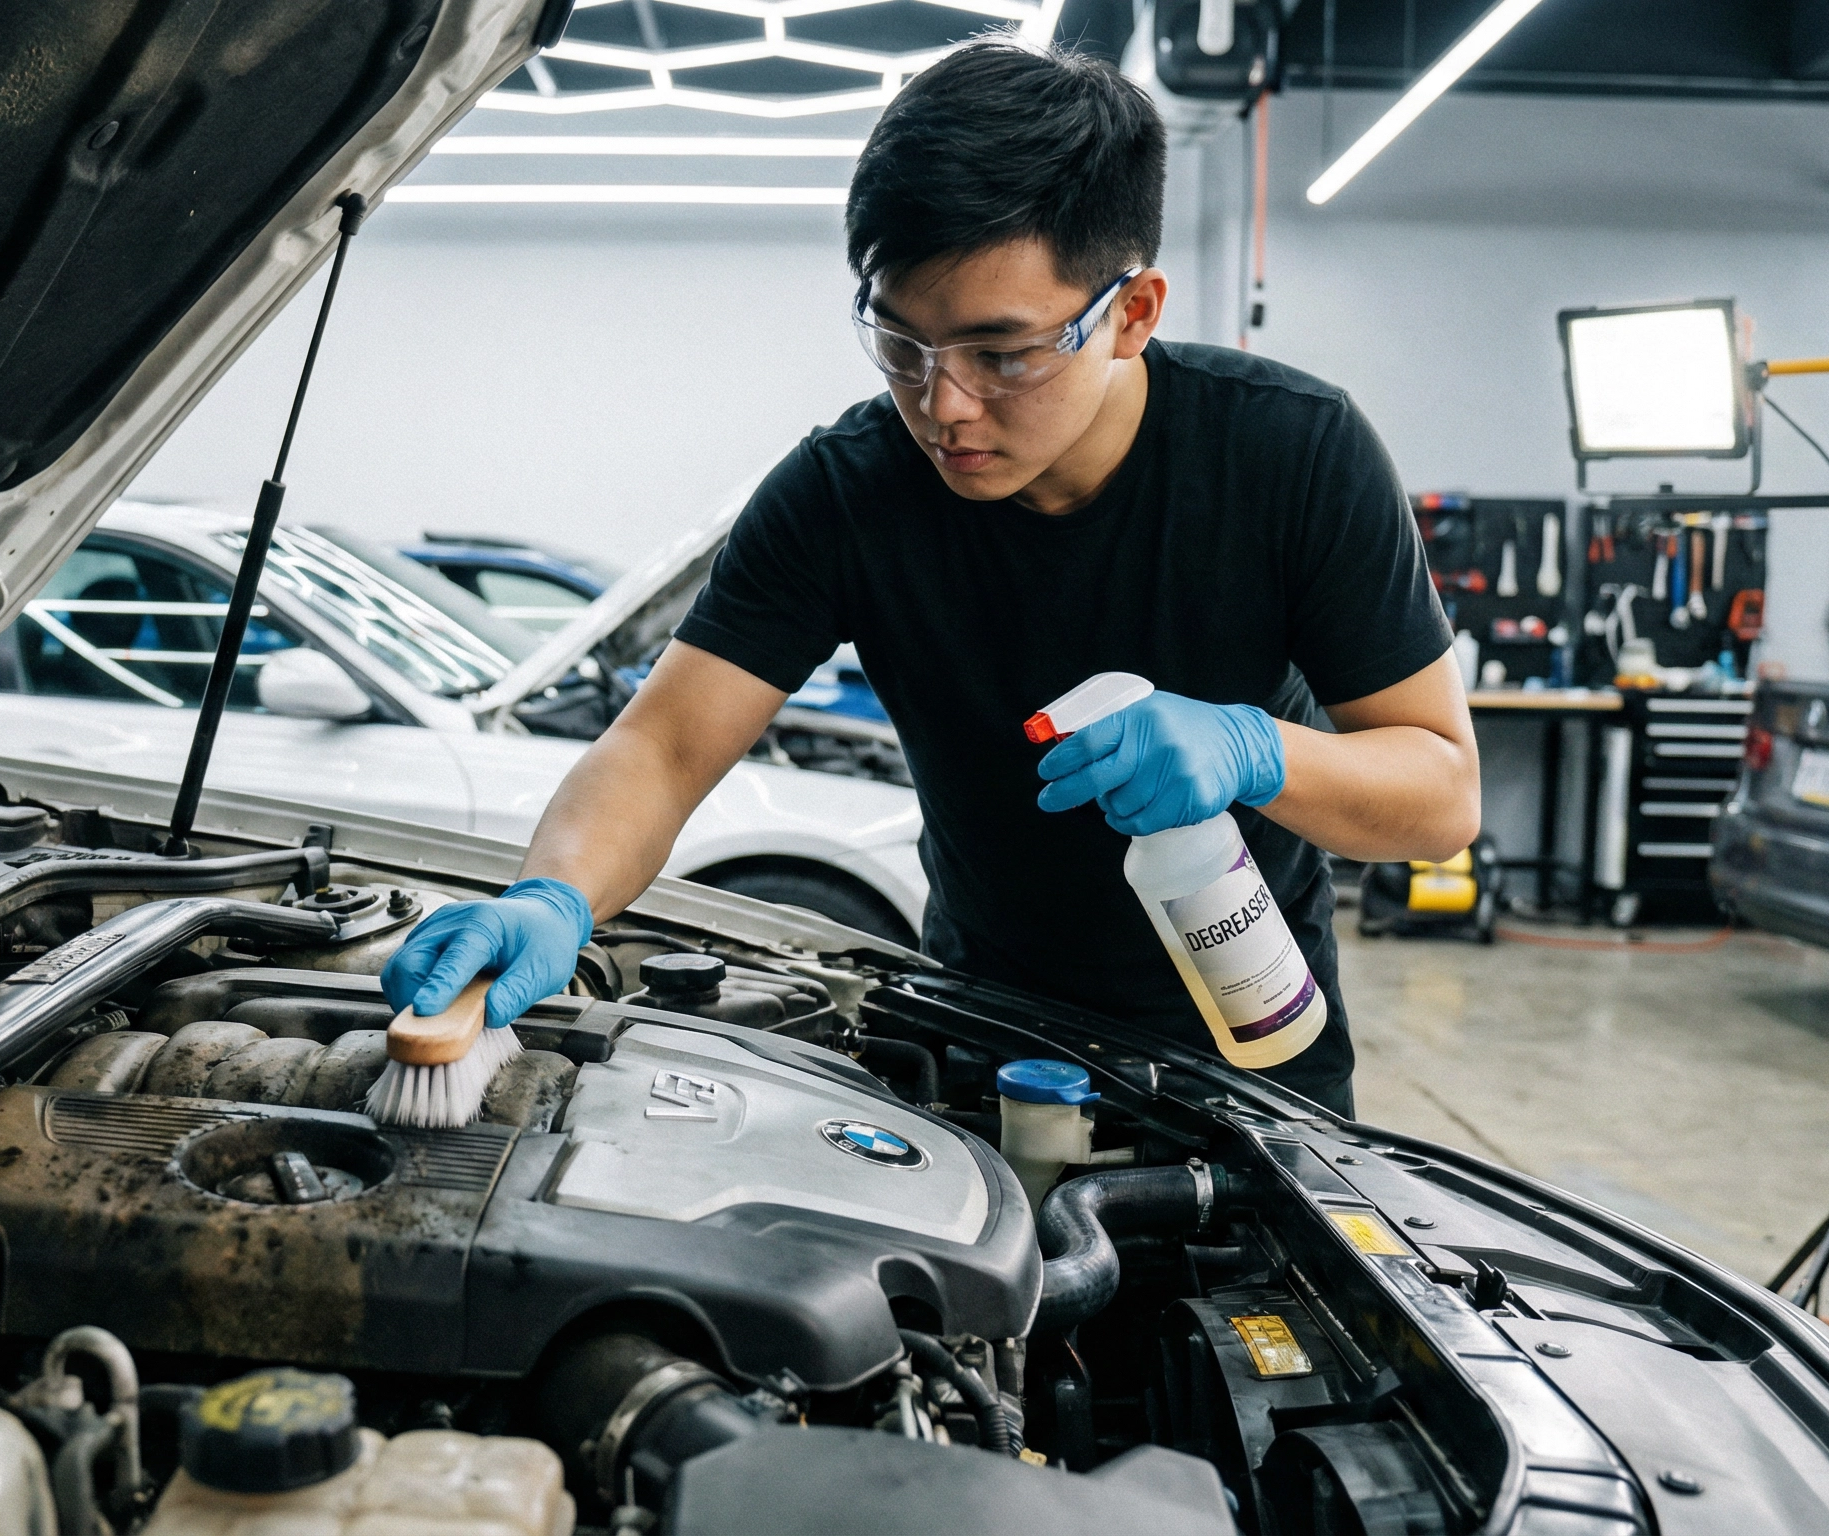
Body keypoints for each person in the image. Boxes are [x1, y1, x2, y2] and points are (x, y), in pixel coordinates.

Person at [382, 40, 1479, 1116]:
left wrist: (1254, 749)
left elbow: (1438, 797)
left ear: (1130, 314)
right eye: (901, 344)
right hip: (977, 1041)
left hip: (1254, 1057)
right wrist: (554, 893)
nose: (943, 405)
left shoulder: (1292, 455)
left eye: (1001, 354)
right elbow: (662, 749)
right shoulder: (844, 493)